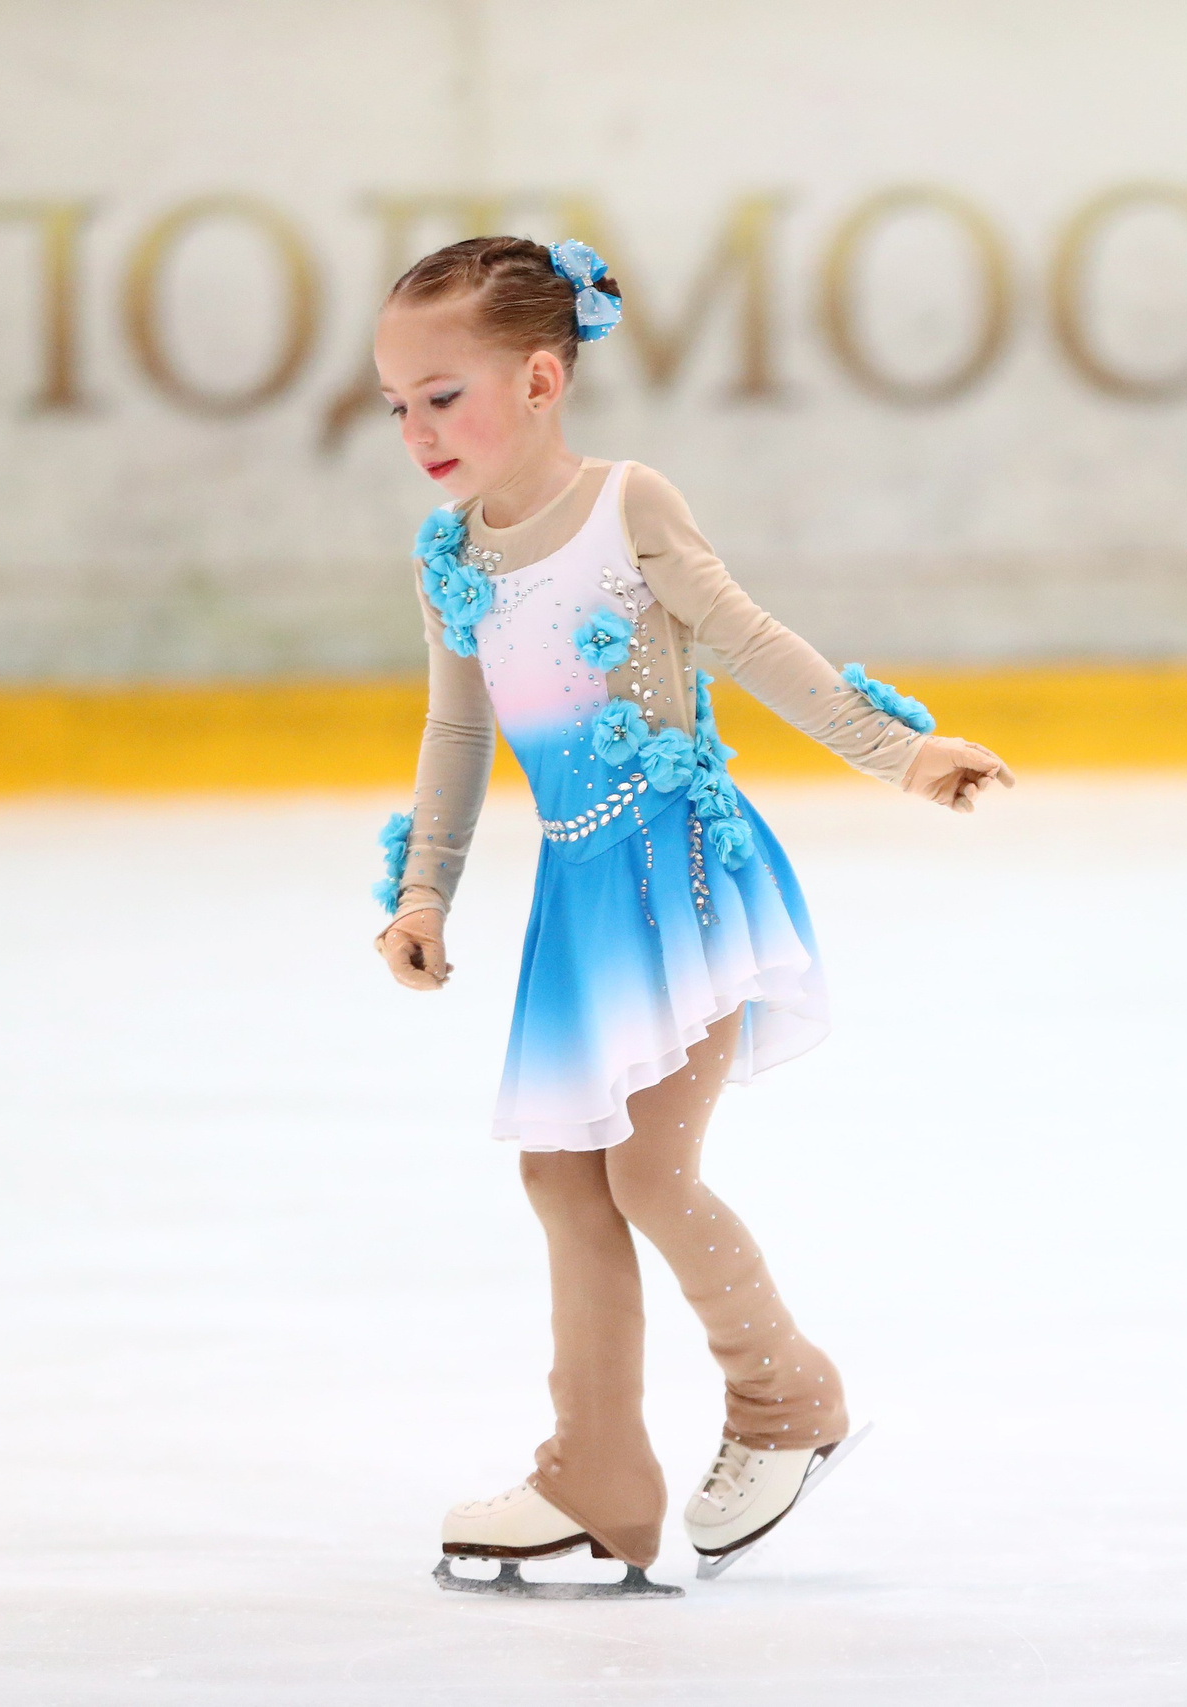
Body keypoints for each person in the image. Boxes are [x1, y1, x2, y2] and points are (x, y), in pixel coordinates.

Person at [367, 236, 1013, 1598]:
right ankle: (594, 1470)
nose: (417, 430)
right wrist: (423, 889)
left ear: (542, 378)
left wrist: (897, 753)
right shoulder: (448, 559)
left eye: (444, 395)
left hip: (680, 875)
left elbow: (748, 638)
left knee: (647, 1172)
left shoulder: (627, 505)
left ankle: (788, 1403)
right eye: (396, 405)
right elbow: (455, 731)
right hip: (574, 902)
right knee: (560, 1176)